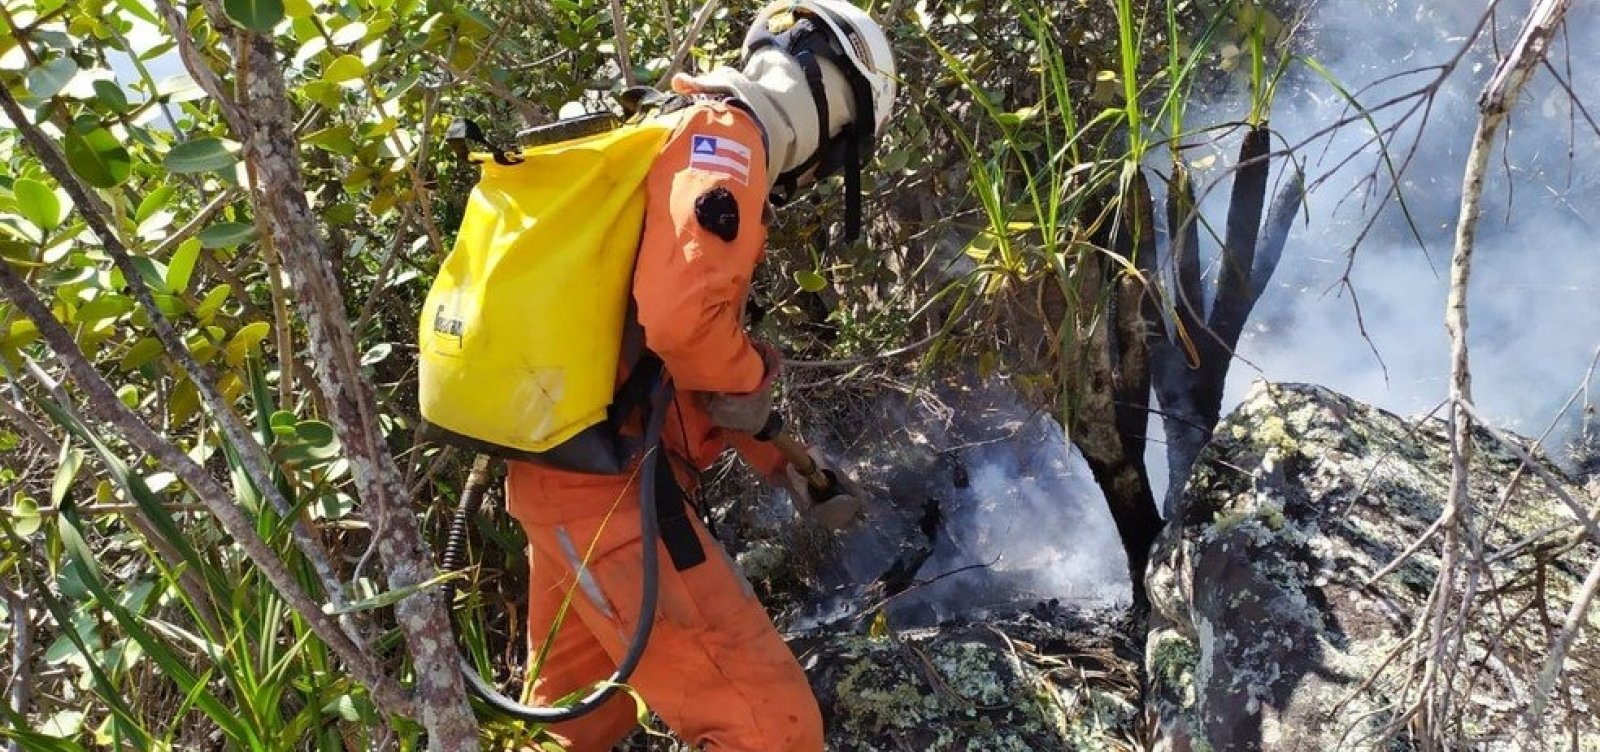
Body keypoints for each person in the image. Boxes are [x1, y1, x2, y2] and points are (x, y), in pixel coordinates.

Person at [503, 2, 897, 750]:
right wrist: (758, 397)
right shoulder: (727, 145)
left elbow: (668, 366)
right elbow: (683, 326)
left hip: (553, 478)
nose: (818, 176)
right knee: (771, 732)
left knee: (577, 721)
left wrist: (785, 463)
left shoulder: (669, 127)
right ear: (835, 118)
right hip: (612, 500)